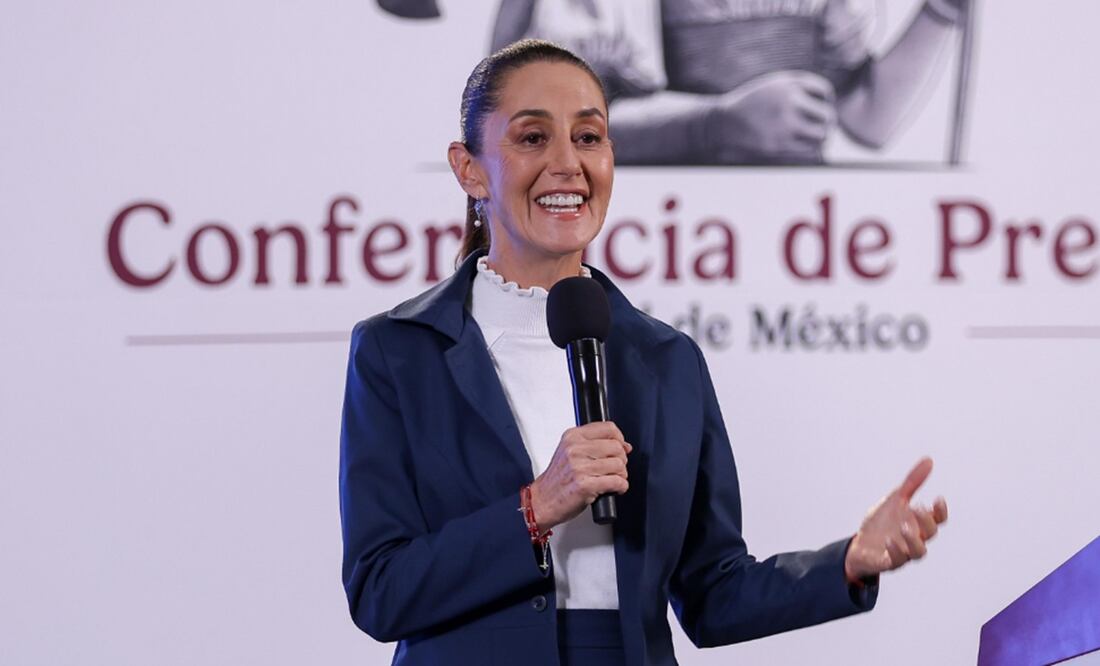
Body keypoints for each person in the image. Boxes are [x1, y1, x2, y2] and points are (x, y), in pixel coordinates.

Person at [339, 39, 948, 665]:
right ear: (469, 169)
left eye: (588, 137)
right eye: (531, 139)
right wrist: (535, 508)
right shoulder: (397, 351)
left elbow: (712, 593)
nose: (567, 164)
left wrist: (846, 561)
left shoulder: (666, 359)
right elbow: (380, 592)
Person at [487, 0, 970, 165]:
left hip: (804, 239)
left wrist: (941, 14)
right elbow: (551, 126)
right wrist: (717, 123)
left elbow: (869, 120)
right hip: (672, 242)